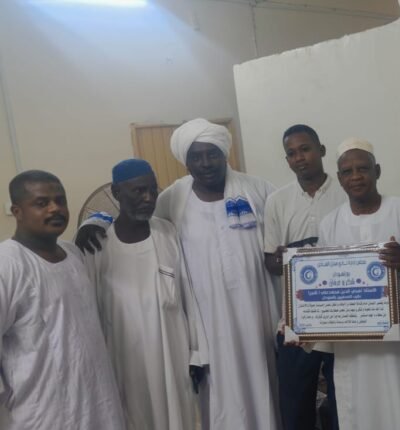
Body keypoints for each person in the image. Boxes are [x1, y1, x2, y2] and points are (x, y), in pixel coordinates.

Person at [77, 119, 281, 429]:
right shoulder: (174, 197)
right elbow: (136, 222)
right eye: (196, 157)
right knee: (214, 401)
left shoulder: (259, 190)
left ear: (225, 153)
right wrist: (95, 220)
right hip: (206, 327)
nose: (205, 163)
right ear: (185, 161)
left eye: (212, 154)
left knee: (264, 385)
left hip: (257, 316)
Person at [84, 159, 209, 430]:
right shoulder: (97, 245)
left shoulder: (168, 233)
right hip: (123, 361)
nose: (148, 198)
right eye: (138, 191)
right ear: (116, 193)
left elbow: (189, 297)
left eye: (153, 190)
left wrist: (196, 353)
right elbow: (88, 310)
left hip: (173, 355)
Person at [314, 138, 400, 430]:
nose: (356, 177)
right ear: (339, 178)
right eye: (347, 171)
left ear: (377, 170)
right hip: (353, 348)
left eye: (362, 168)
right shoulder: (329, 223)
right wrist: (306, 326)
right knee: (358, 411)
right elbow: (323, 292)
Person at [0, 170, 125, 429]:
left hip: (98, 403)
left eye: (60, 200)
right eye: (41, 202)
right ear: (17, 211)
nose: (55, 208)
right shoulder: (7, 264)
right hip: (43, 413)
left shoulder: (73, 254)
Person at [263, 125, 345, 430]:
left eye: (305, 149)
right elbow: (270, 262)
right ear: (287, 160)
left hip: (342, 318)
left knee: (342, 402)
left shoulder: (346, 191)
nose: (299, 158)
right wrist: (284, 259)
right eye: (292, 153)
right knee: (295, 404)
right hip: (297, 319)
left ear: (321, 150)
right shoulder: (277, 201)